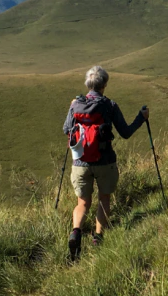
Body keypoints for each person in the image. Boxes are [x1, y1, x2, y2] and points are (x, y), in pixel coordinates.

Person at [62, 66, 149, 260]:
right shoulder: (110, 105)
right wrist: (141, 118)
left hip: (80, 161)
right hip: (105, 161)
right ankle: (98, 239)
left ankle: (76, 231)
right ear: (104, 85)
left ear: (88, 84)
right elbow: (125, 133)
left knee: (82, 202)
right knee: (104, 199)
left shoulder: (76, 104)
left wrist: (73, 109)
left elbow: (67, 130)